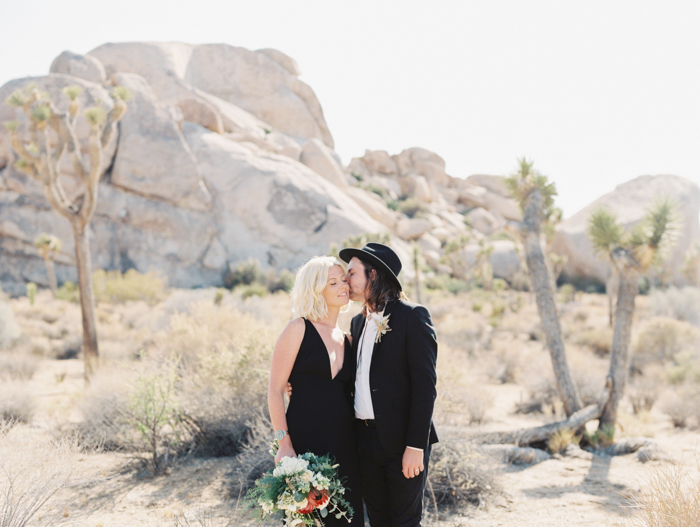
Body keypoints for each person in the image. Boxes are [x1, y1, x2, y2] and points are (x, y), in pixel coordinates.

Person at [338, 242, 438, 527]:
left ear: (373, 274)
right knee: (378, 519)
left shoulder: (412, 316)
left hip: (402, 442)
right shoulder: (357, 323)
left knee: (404, 521)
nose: (347, 281)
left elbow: (425, 387)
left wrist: (415, 446)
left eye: (352, 273)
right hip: (364, 441)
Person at [268, 256, 364, 526]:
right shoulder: (298, 328)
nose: (343, 286)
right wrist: (284, 444)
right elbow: (275, 391)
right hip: (304, 445)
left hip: (346, 447)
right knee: (306, 520)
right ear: (315, 289)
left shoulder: (349, 339)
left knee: (346, 519)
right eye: (332, 282)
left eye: (344, 280)